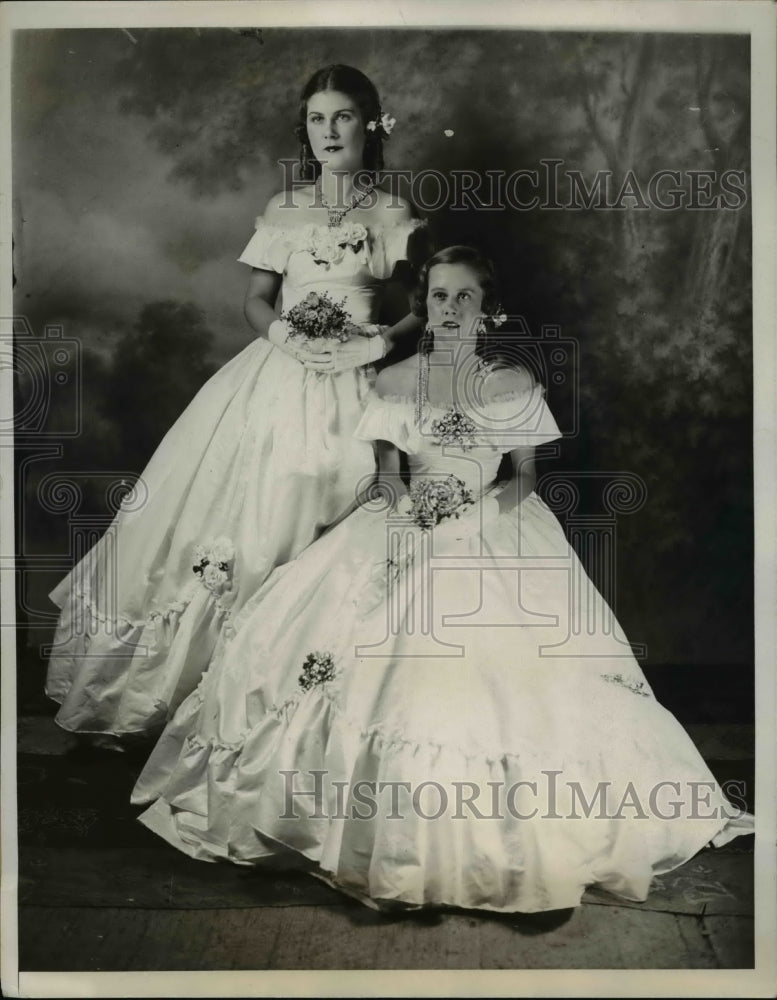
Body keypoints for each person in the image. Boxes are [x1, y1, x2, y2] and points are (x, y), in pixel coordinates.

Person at [131, 245, 753, 914]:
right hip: (403, 524)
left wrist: (469, 521)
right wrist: (413, 517)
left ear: (489, 311)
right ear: (421, 307)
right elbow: (388, 481)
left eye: (463, 297)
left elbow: (521, 482)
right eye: (436, 296)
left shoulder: (512, 386)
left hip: (496, 524)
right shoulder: (392, 384)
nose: (449, 309)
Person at [45, 64, 425, 741]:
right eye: (315, 119)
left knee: (336, 532)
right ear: (304, 131)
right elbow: (253, 299)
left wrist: (372, 349)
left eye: (341, 116)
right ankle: (198, 705)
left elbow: (415, 313)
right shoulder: (284, 210)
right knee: (250, 526)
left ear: (369, 123)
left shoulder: (391, 213)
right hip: (275, 379)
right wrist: (284, 334)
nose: (328, 131)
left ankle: (292, 715)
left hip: (357, 390)